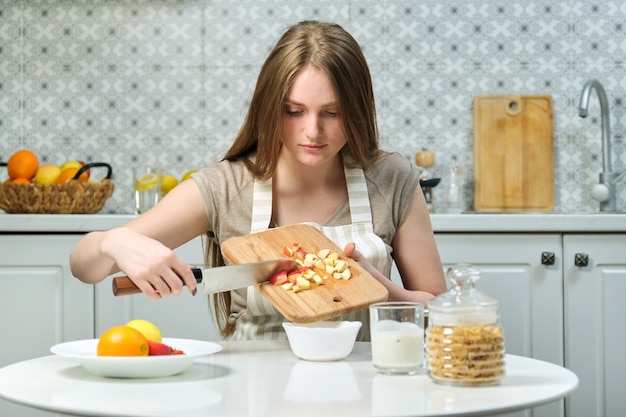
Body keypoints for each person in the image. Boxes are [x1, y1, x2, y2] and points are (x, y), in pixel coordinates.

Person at [70, 20, 447, 340]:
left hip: (369, 389)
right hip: (252, 392)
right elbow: (82, 266)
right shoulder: (227, 187)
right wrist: (113, 243)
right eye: (294, 111)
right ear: (270, 108)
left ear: (358, 111)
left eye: (332, 113)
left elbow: (441, 312)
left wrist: (379, 290)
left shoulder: (391, 179)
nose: (312, 130)